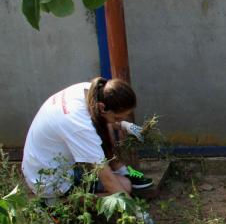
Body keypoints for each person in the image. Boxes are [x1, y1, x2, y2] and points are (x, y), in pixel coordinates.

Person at [22, 77, 154, 206]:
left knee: (105, 125)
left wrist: (123, 125)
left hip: (41, 164)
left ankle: (121, 170)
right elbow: (106, 179)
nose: (118, 120)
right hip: (48, 181)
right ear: (103, 107)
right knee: (124, 186)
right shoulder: (79, 126)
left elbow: (102, 120)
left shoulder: (91, 90)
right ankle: (55, 203)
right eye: (117, 117)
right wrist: (135, 211)